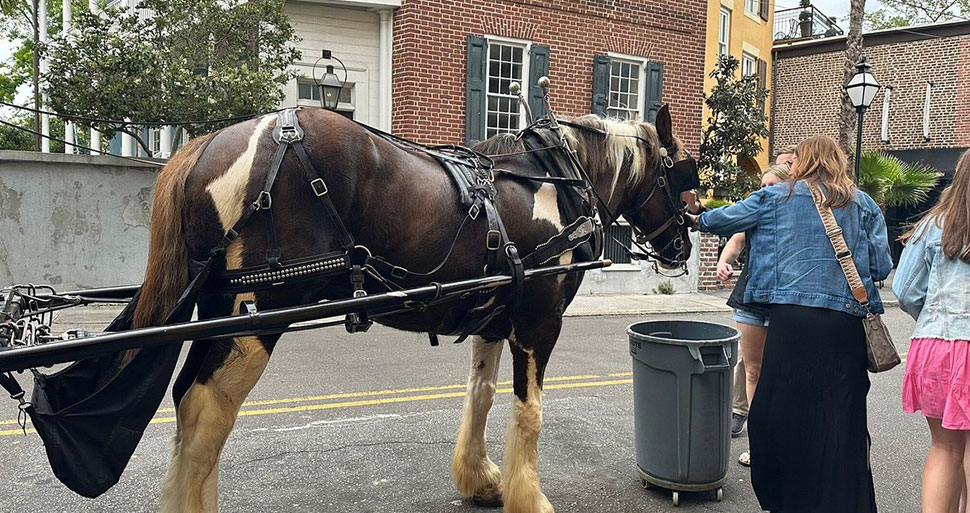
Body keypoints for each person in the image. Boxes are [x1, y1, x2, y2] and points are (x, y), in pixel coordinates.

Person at [691, 135, 893, 513]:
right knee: (840, 416)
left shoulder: (776, 197)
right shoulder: (862, 203)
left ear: (802, 162)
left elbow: (721, 221)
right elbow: (881, 266)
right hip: (844, 324)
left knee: (779, 410)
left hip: (790, 321)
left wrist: (695, 214)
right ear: (837, 162)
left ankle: (786, 498)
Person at [894, 149, 970, 513]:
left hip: (935, 344)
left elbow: (905, 289)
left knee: (945, 448)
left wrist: (933, 318)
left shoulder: (932, 225)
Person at [718, 164, 792, 469]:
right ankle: (760, 445)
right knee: (751, 371)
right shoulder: (758, 211)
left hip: (784, 302)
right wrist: (724, 261)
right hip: (750, 299)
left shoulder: (796, 217)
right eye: (762, 186)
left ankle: (785, 442)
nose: (764, 192)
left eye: (772, 186)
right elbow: (737, 239)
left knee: (780, 374)